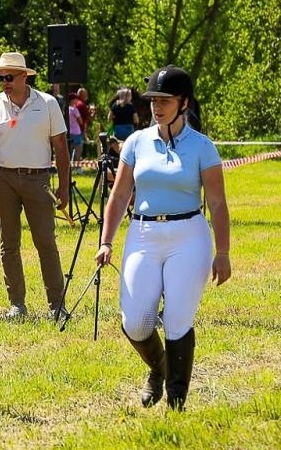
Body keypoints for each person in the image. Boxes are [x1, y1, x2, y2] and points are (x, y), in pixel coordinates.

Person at [95, 66, 231, 410]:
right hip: (143, 234)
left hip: (189, 235)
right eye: (154, 100)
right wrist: (106, 240)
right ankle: (159, 368)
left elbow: (217, 201)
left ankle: (176, 401)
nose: (156, 106)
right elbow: (121, 193)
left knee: (175, 321)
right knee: (136, 322)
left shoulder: (203, 147)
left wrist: (224, 251)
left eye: (165, 100)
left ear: (183, 103)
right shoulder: (137, 143)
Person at [0, 51, 71, 319]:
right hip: (1, 178)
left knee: (45, 241)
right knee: (9, 243)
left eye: (9, 76)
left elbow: (61, 148)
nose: (4, 81)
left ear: (24, 76)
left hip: (38, 178)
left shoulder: (48, 103)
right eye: (1, 77)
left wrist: (64, 188)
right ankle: (17, 304)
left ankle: (57, 305)